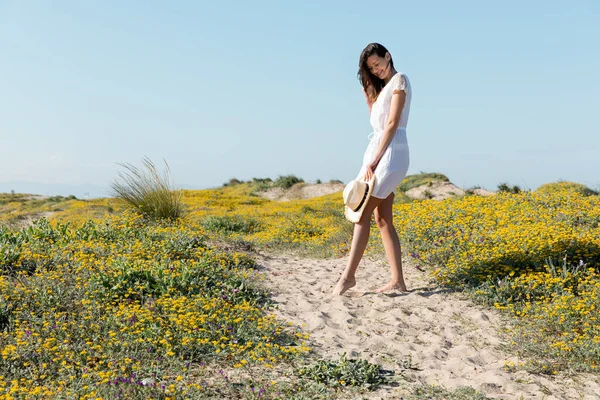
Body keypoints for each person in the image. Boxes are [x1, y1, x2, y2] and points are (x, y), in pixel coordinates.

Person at [333, 42, 412, 296]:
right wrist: (369, 86)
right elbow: (378, 123)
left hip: (390, 153)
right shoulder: (380, 91)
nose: (376, 70)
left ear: (388, 56)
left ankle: (348, 277)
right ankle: (398, 281)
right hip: (378, 152)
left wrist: (375, 161)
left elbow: (391, 124)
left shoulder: (399, 80)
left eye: (378, 64)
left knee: (361, 214)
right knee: (382, 218)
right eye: (371, 68)